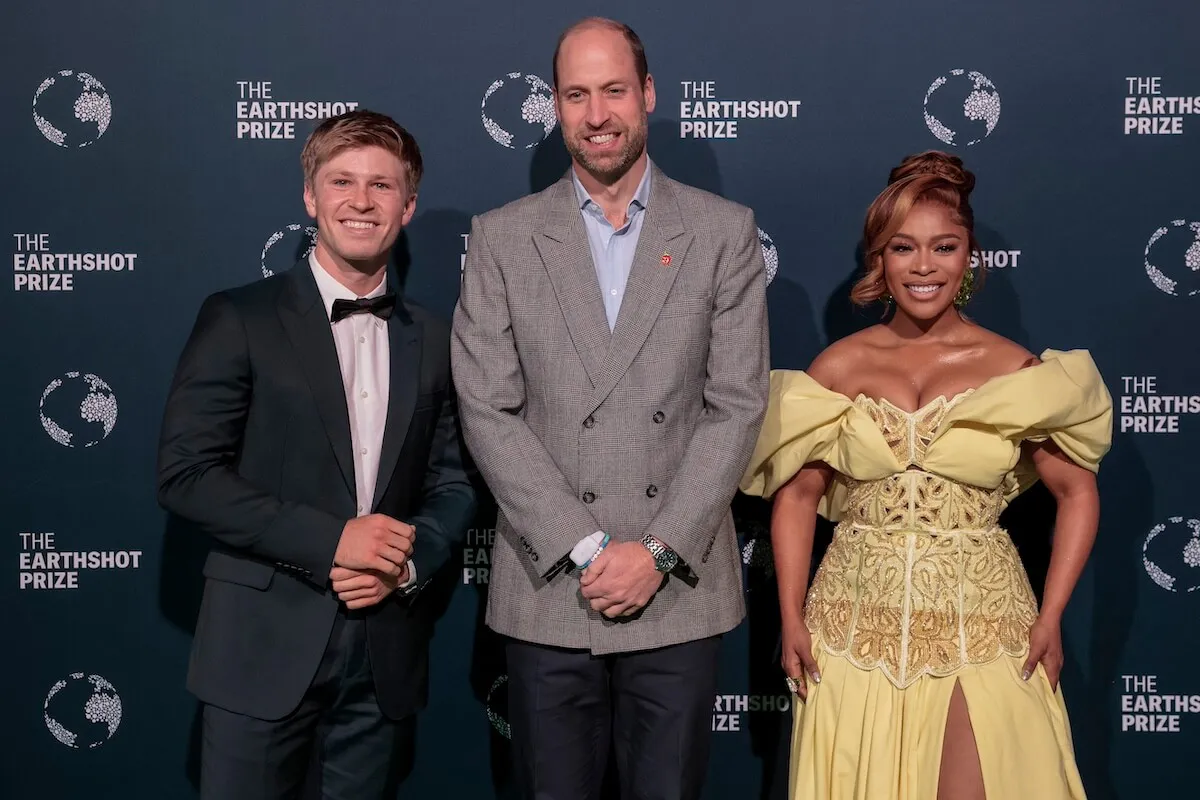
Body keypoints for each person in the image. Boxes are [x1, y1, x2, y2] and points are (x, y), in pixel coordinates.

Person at [451, 16, 769, 800]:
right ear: (555, 106)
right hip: (552, 585)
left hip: (679, 590)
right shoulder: (502, 239)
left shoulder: (723, 233)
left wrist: (655, 553)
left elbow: (736, 405)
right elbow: (488, 409)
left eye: (615, 90)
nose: (597, 115)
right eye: (576, 94)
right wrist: (589, 549)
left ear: (649, 94)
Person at [740, 151, 1112, 799]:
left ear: (970, 258)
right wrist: (792, 617)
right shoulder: (837, 367)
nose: (923, 266)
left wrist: (1051, 615)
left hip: (984, 629)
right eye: (903, 247)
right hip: (850, 631)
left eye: (944, 247)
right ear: (879, 260)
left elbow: (1078, 491)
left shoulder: (1015, 369)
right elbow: (797, 498)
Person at [157, 109, 474, 799]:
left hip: (383, 655)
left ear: (408, 205)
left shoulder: (435, 337)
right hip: (258, 653)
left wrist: (406, 558)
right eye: (342, 181)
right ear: (310, 196)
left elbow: (454, 484)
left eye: (382, 186)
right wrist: (336, 541)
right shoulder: (239, 317)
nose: (361, 201)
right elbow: (188, 476)